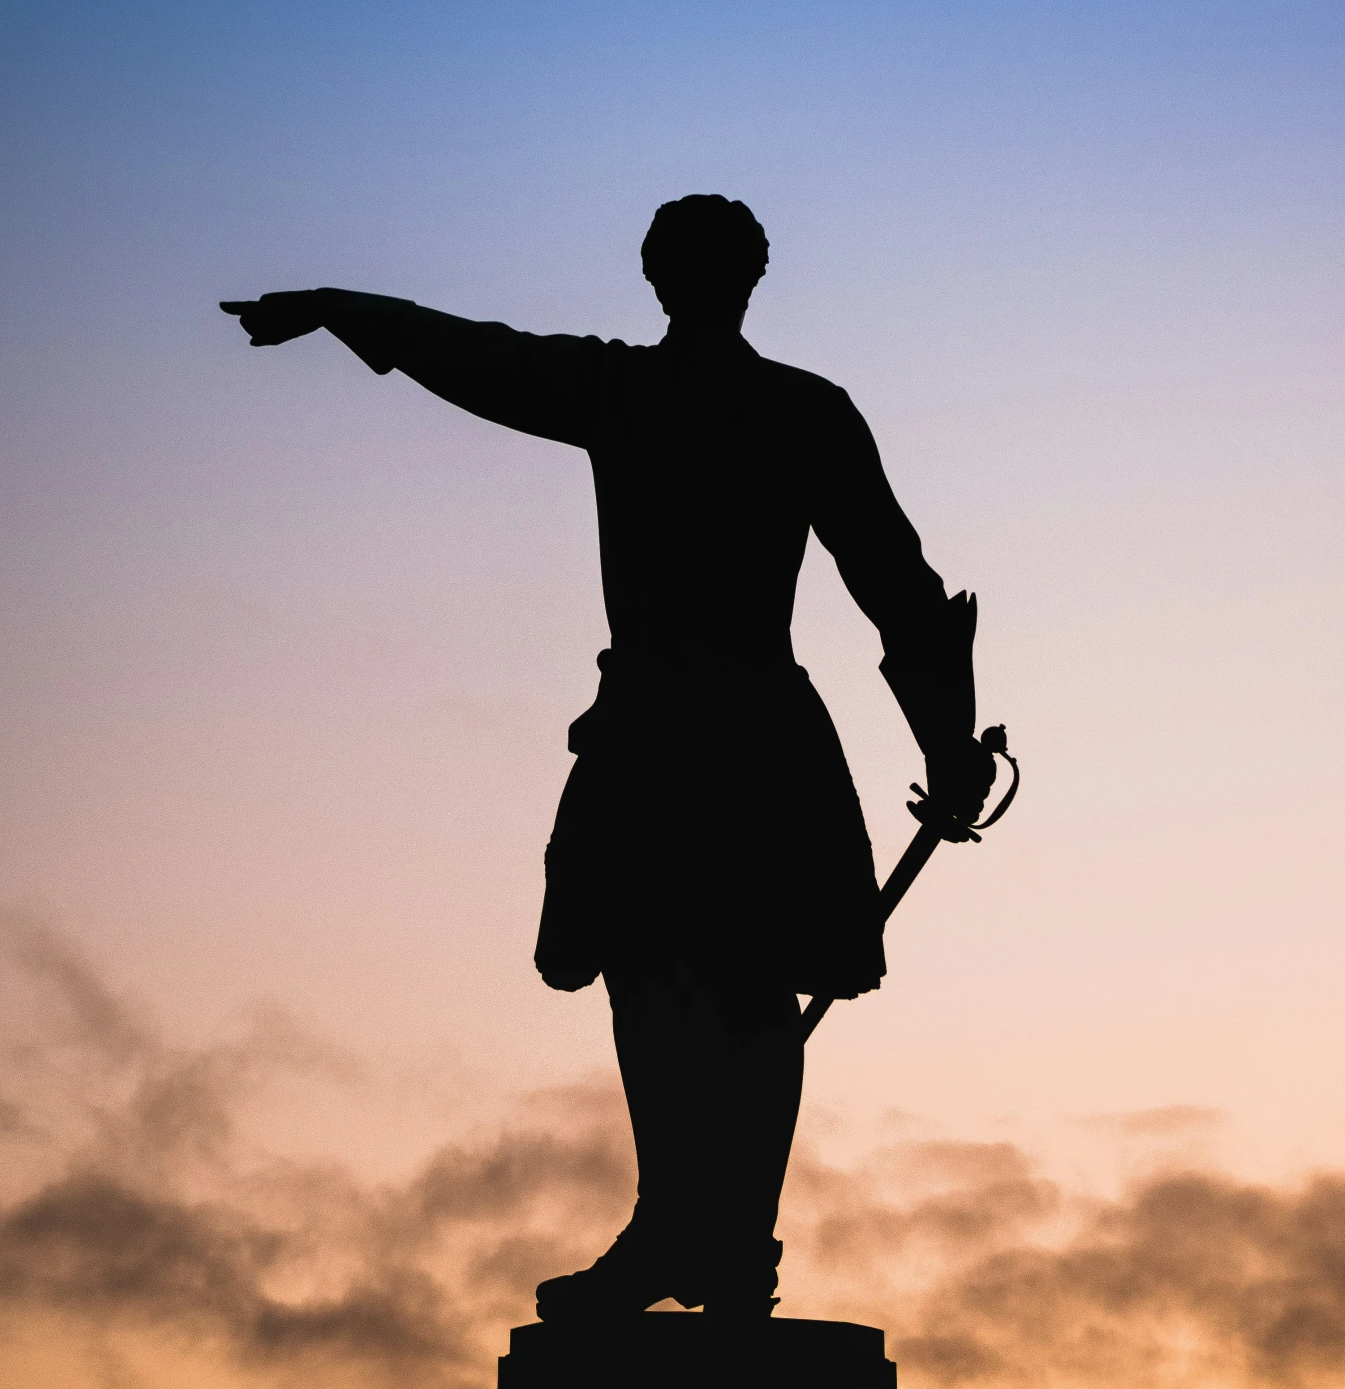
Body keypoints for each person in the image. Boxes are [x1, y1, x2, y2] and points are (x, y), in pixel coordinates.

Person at [222, 194, 986, 1321]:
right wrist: (949, 742)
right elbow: (899, 588)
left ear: (659, 277)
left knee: (690, 985)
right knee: (702, 985)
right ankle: (696, 1226)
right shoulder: (785, 408)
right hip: (730, 727)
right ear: (746, 278)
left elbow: (472, 353)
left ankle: (707, 1232)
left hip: (677, 724)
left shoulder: (635, 392)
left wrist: (343, 308)